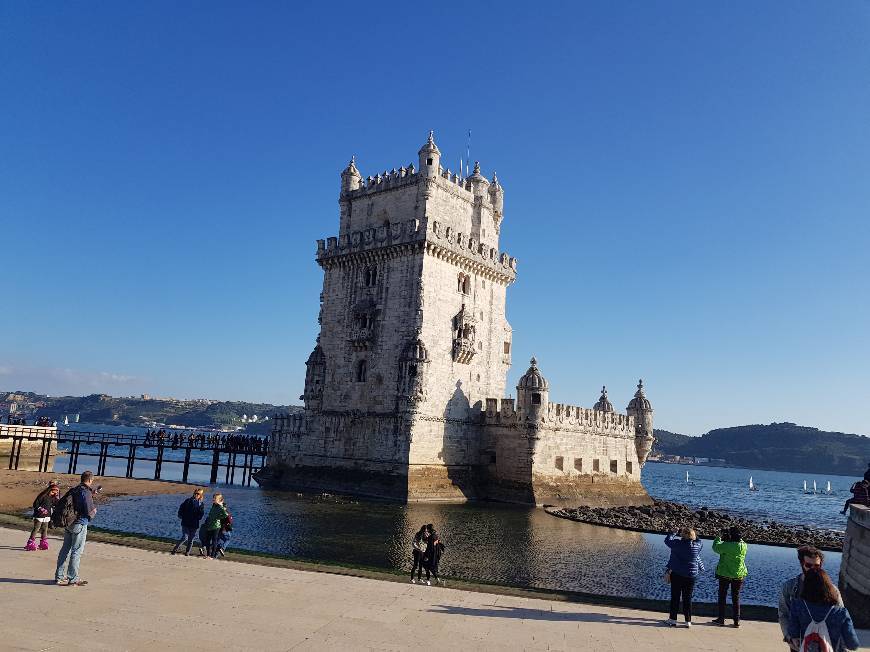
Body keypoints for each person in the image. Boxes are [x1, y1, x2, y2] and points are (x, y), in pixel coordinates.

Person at [778, 545, 843, 650]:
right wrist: (789, 637)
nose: (812, 569)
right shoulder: (789, 587)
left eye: (816, 566)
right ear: (801, 564)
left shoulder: (832, 590)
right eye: (808, 565)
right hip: (798, 645)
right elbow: (783, 614)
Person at [787, 568, 859, 651]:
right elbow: (853, 644)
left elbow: (793, 633)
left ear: (806, 586)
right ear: (828, 586)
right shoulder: (841, 613)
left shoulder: (797, 606)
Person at [55, 471, 99, 587]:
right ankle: (73, 578)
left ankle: (59, 576)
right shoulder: (86, 492)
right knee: (76, 551)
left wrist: (91, 495)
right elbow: (89, 511)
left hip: (69, 522)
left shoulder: (75, 489)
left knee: (65, 549)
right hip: (79, 523)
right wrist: (94, 511)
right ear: (90, 480)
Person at [664, 527, 704, 627]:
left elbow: (667, 541)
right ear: (693, 535)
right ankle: (688, 621)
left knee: (675, 597)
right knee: (688, 598)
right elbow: (699, 540)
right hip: (691, 575)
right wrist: (694, 534)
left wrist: (673, 532)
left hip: (677, 573)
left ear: (682, 535)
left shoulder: (677, 544)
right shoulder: (697, 545)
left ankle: (673, 619)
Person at [711, 525, 748, 627]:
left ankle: (721, 619)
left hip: (725, 573)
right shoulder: (744, 545)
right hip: (739, 574)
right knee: (736, 597)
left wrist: (718, 537)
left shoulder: (727, 545)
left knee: (722, 596)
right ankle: (737, 621)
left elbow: (715, 548)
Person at [25, 480, 59, 551]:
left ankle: (43, 542)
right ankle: (30, 542)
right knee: (36, 528)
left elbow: (56, 504)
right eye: (53, 492)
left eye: (55, 493)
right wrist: (41, 509)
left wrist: (57, 498)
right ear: (50, 490)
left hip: (47, 516)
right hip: (39, 515)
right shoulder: (43, 495)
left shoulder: (53, 497)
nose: (53, 494)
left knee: (45, 529)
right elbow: (35, 504)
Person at [171, 488, 206, 556]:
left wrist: (199, 517)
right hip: (185, 522)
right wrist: (180, 515)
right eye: (195, 493)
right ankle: (175, 549)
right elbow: (181, 508)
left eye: (198, 494)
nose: (196, 494)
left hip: (194, 524)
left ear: (200, 495)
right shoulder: (188, 501)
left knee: (191, 539)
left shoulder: (201, 504)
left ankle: (187, 552)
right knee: (185, 537)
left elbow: (201, 513)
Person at [202, 493, 228, 559]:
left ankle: (212, 556)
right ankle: (208, 554)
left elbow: (226, 515)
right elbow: (211, 514)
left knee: (214, 541)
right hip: (210, 525)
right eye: (213, 498)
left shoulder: (221, 507)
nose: (213, 499)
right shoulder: (213, 505)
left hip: (216, 526)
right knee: (207, 540)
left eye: (215, 498)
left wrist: (219, 517)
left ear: (219, 500)